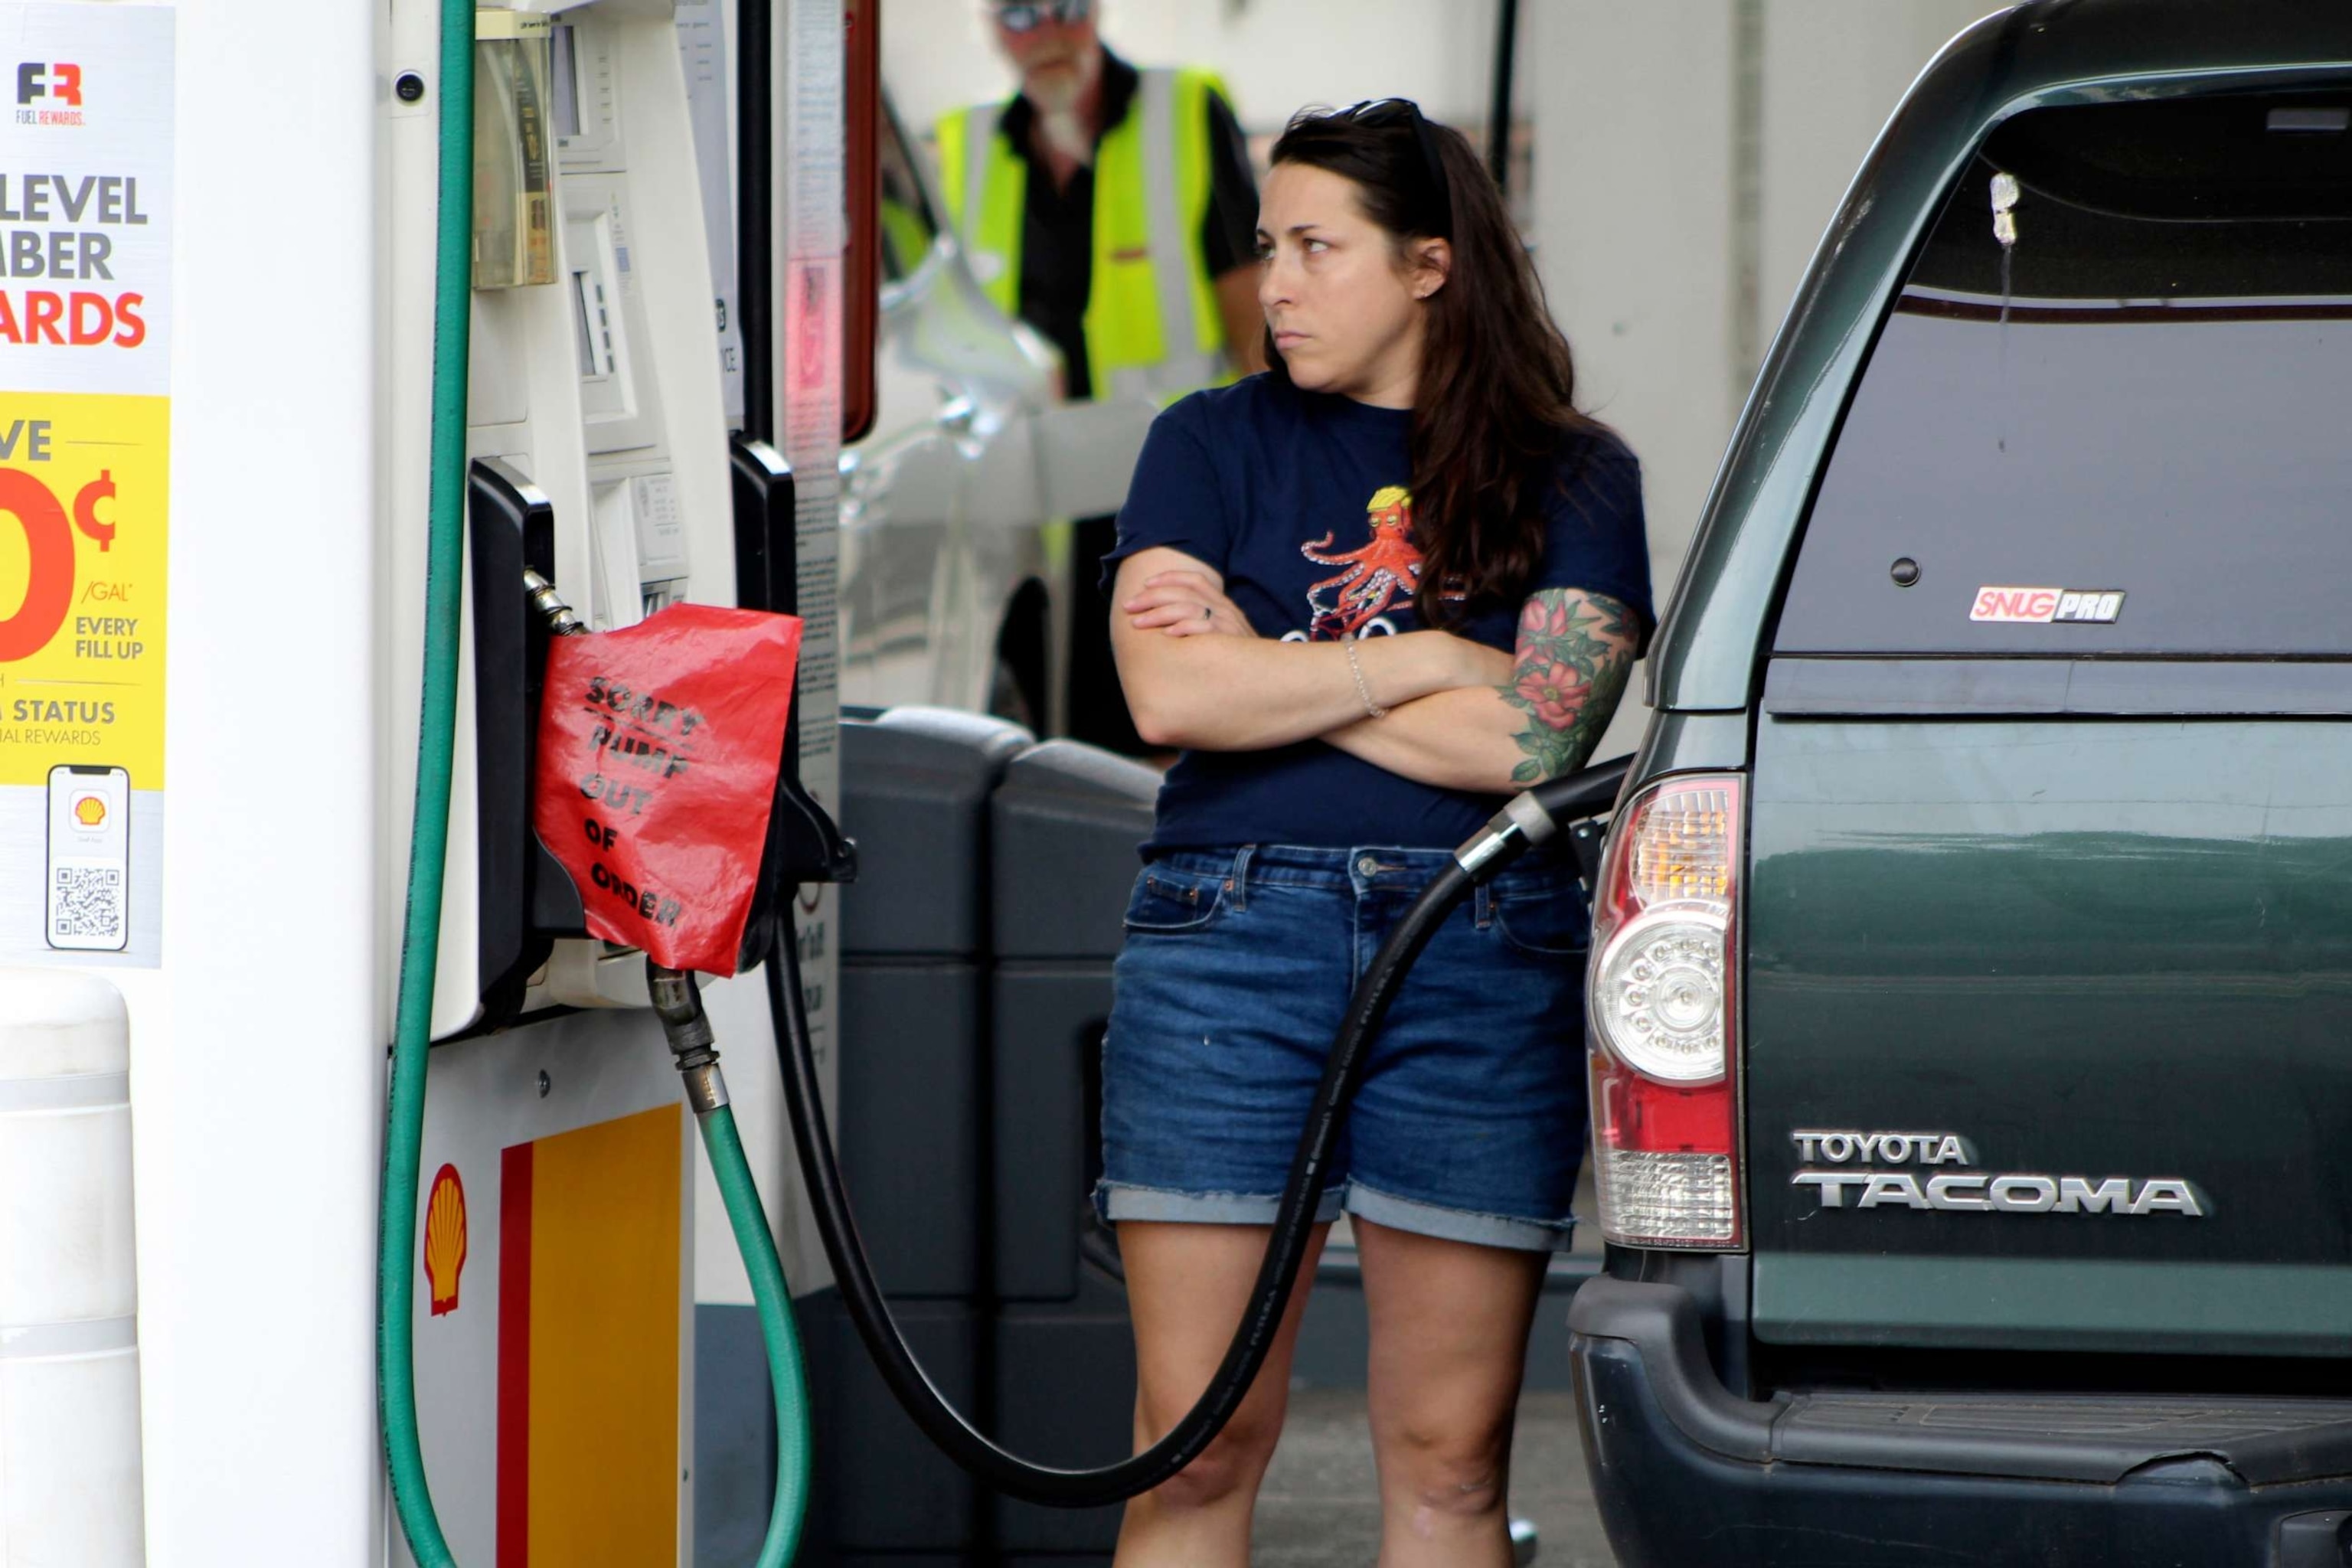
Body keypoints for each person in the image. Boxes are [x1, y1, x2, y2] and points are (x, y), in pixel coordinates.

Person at [1095, 100, 1654, 1566]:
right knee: (1195, 1443)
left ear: (1426, 265)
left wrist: (1266, 659)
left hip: (1481, 946)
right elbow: (1165, 686)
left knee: (1449, 1462)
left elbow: (1530, 740)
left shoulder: (1575, 473)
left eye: (1315, 248)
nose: (1273, 282)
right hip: (1226, 943)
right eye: (1267, 245)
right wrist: (1423, 660)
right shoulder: (1203, 441)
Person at [934, 0, 1265, 752]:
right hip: (1022, 498)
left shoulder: (1182, 111)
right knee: (1033, 730)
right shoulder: (967, 143)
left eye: (1066, 8)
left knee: (1157, 723)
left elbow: (1248, 304)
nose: (1047, 32)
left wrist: (1271, 462)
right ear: (989, 26)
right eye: (1019, 14)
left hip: (1159, 484)